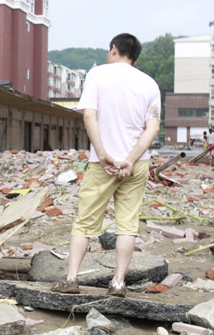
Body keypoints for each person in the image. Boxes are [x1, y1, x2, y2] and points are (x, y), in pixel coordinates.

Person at [52, 33, 161, 297]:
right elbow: (153, 127)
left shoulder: (97, 75)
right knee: (127, 223)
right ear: (135, 58)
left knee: (85, 222)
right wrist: (131, 159)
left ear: (114, 49)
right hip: (135, 166)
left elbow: (89, 115)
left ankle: (71, 279)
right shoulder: (149, 84)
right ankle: (118, 282)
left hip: (103, 164)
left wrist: (102, 155)